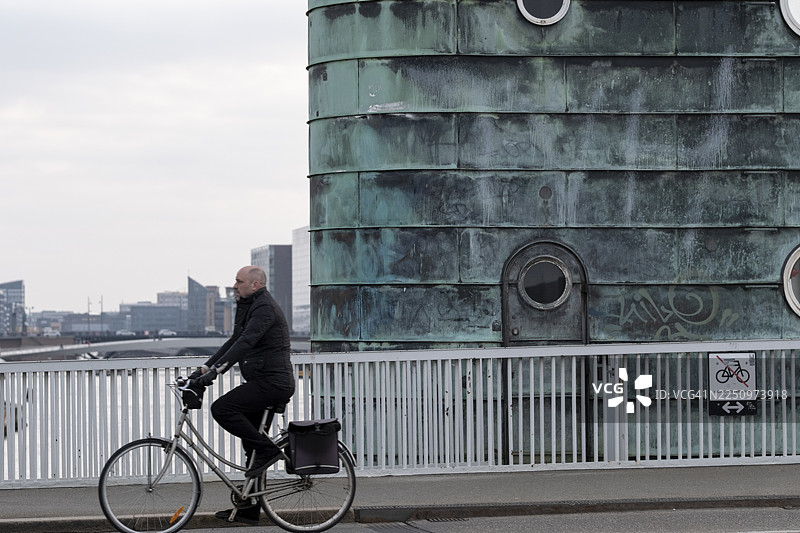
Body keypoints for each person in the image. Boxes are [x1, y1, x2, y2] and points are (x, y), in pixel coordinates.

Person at [188, 265, 295, 526]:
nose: (235, 286)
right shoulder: (249, 305)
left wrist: (216, 373)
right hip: (262, 380)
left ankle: (269, 451)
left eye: (239, 281)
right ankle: (249, 509)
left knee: (222, 409)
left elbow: (247, 342)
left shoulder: (265, 308)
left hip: (273, 382)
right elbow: (234, 340)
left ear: (255, 284)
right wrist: (206, 367)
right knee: (252, 446)